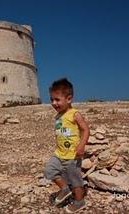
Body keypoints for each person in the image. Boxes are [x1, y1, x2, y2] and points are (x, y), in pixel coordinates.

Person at [44, 78, 90, 213]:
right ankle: (64, 189)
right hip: (59, 153)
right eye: (52, 99)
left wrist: (82, 146)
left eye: (57, 100)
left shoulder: (74, 114)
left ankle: (79, 202)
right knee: (49, 171)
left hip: (73, 155)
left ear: (69, 99)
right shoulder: (57, 116)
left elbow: (86, 129)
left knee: (75, 181)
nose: (53, 103)